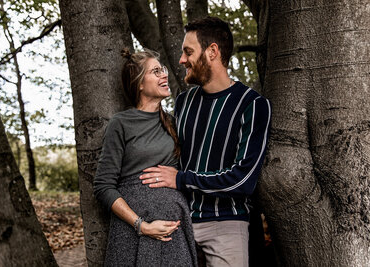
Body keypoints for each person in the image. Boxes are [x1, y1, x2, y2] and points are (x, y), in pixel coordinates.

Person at [140, 16, 272, 267]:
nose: (181, 60)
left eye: (188, 52)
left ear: (212, 51)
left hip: (227, 224)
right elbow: (172, 157)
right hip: (177, 220)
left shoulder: (252, 105)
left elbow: (243, 180)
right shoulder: (184, 102)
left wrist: (181, 179)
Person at [93, 48, 198, 266]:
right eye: (155, 71)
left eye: (163, 70)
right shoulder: (120, 124)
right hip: (131, 233)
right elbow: (103, 186)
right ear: (139, 83)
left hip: (173, 232)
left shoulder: (174, 124)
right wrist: (141, 225)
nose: (164, 75)